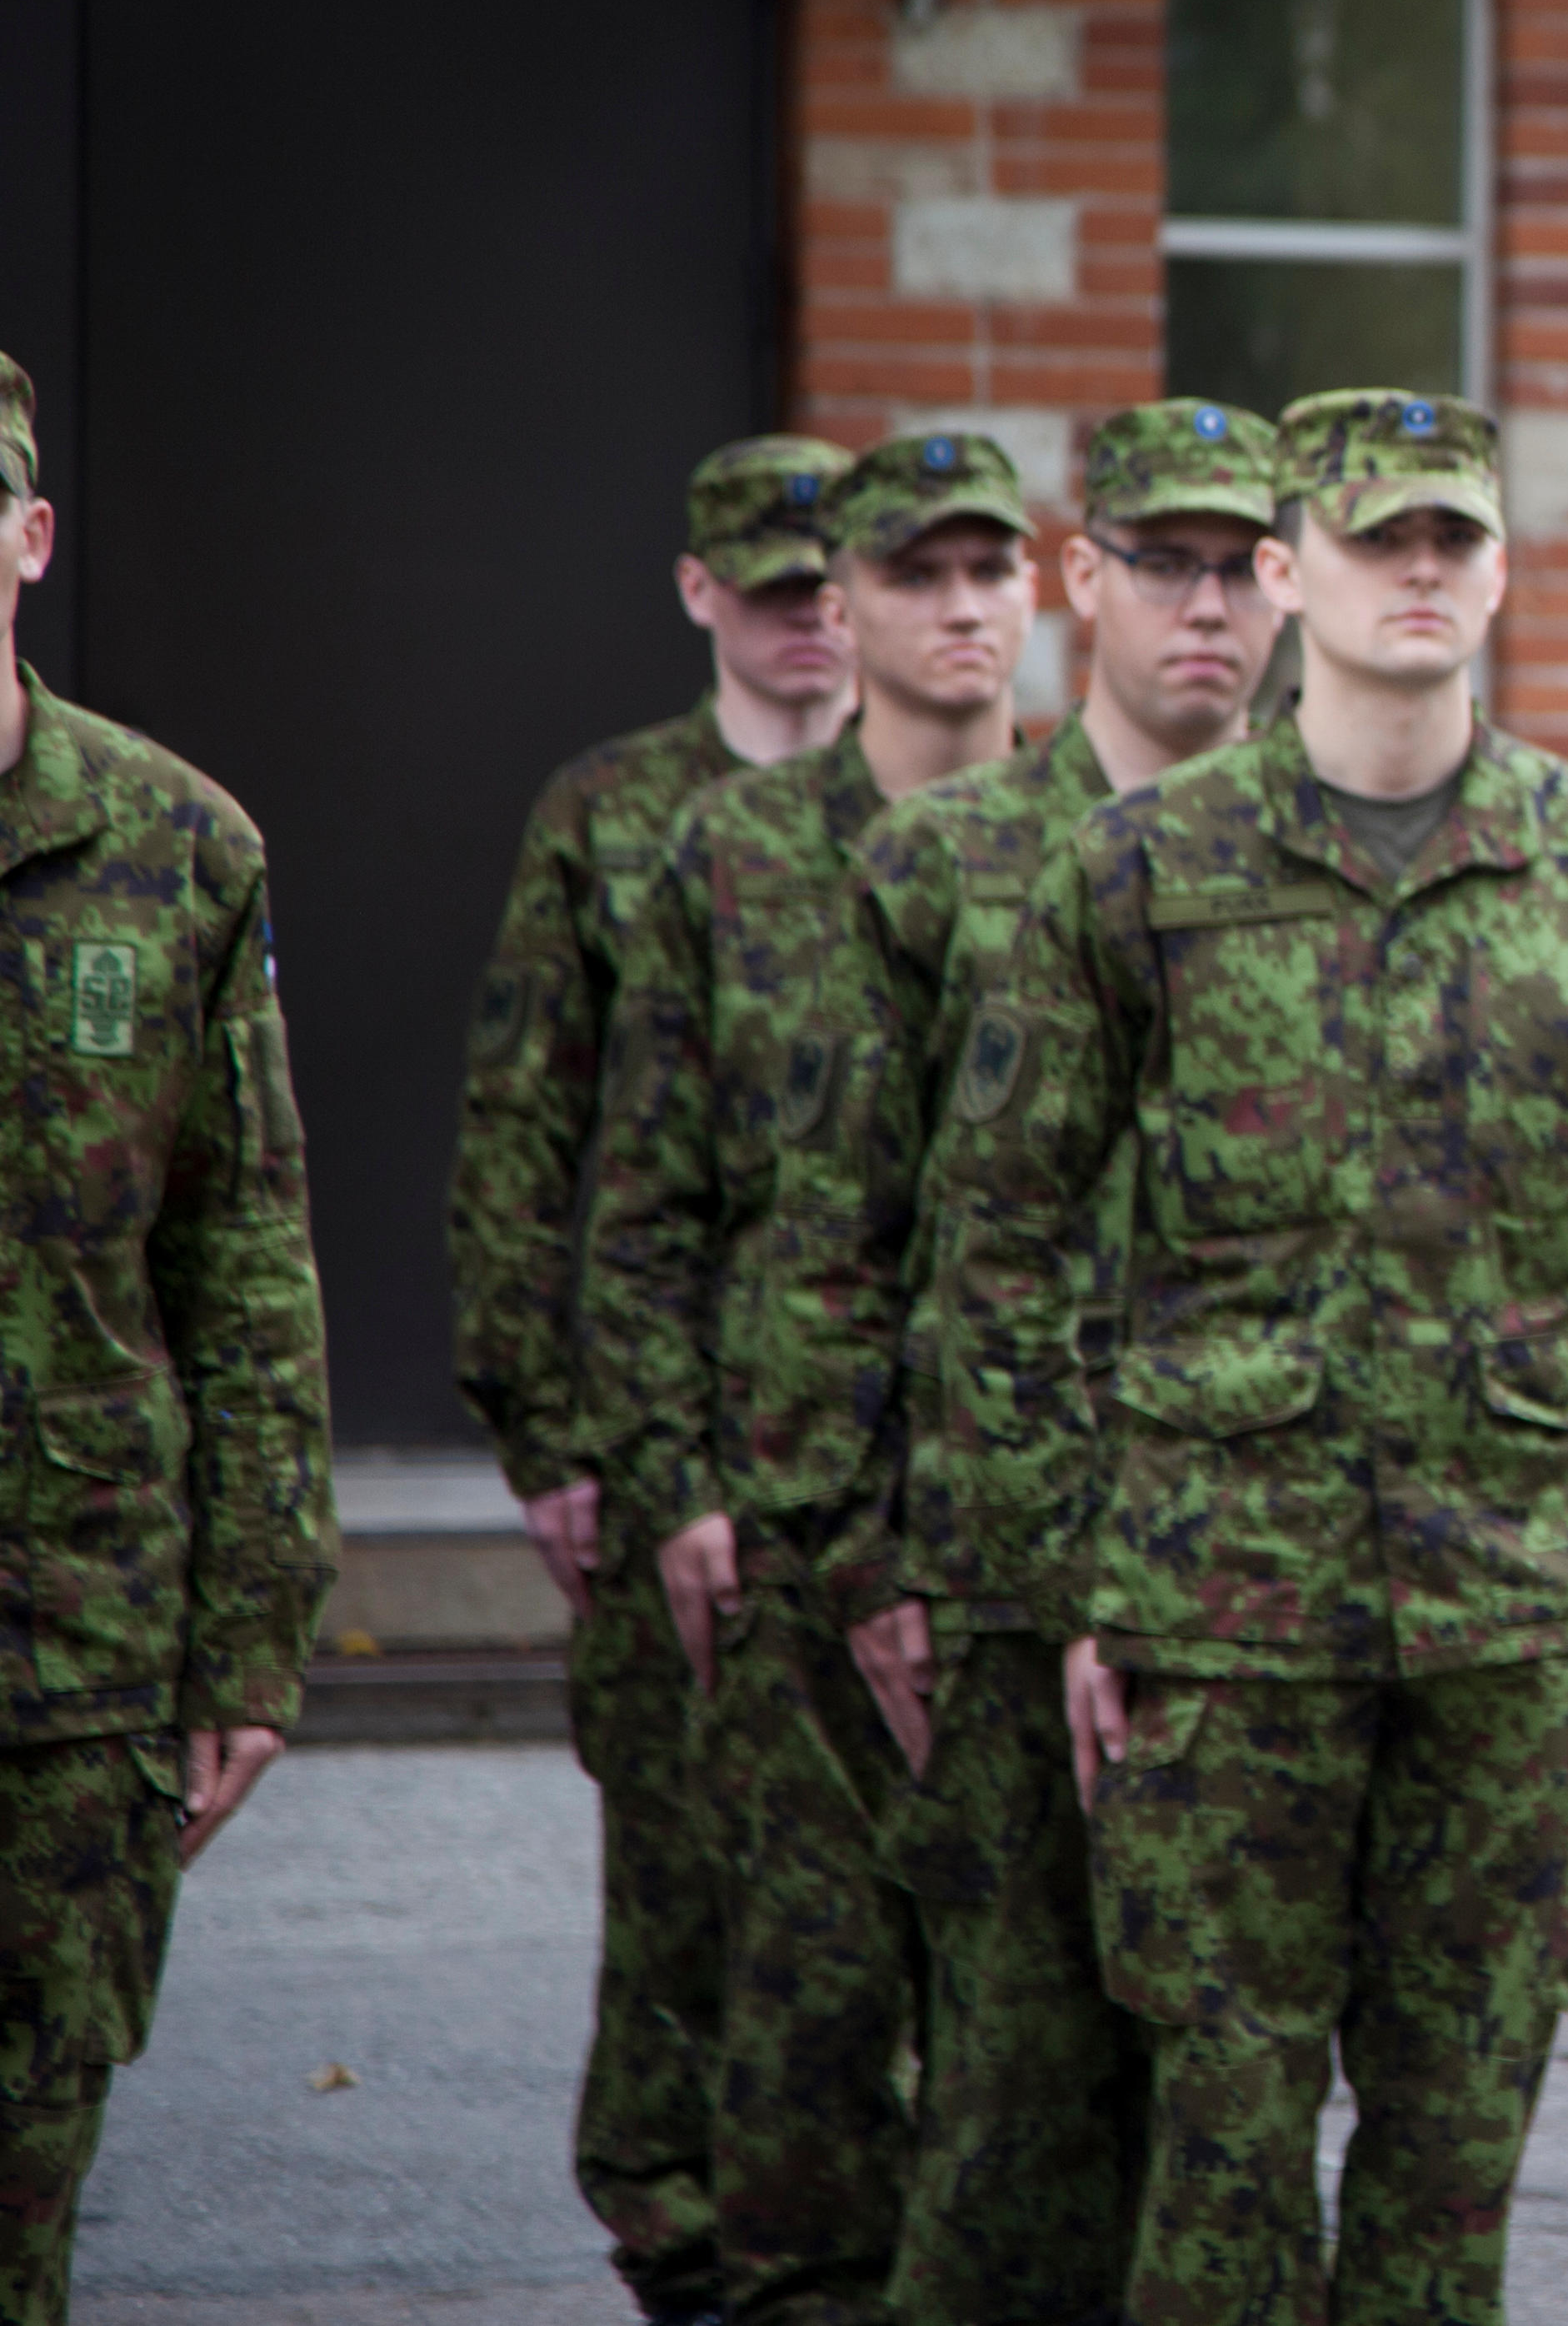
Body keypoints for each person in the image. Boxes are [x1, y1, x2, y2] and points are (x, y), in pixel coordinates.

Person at [917, 388, 1568, 2324]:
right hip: (1220, 1614)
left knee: (1454, 2157)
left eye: (1450, 542)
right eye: (1375, 542)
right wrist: (1077, 1573)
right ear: (1289, 573)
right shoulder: (1141, 869)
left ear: (1497, 575)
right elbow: (1007, 1229)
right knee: (1218, 2150)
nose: (1417, 574)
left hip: (1511, 1618)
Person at [823, 401, 1283, 2324]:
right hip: (1010, 1581)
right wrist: (876, 1548)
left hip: (1265, 1580)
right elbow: (844, 1238)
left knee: (1243, 2117)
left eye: (1247, 565)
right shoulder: (945, 865)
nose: (1210, 606)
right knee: (1010, 2109)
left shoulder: (1319, 864)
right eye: (1163, 562)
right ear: (1080, 579)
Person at [581, 430, 1038, 2326]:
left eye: (984, 574)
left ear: (1034, 593)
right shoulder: (732, 853)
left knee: (1027, 2045)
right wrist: (675, 1480)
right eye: (912, 579)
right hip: (792, 1513)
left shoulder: (1107, 844)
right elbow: (650, 1197)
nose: (955, 612)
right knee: (808, 2017)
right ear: (837, 611)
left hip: (1031, 1530)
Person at [449, 429, 855, 2326]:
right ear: (702, 596)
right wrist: (546, 1431)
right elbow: (531, 1134)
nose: (814, 622)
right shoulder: (611, 815)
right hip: (652, 1418)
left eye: (831, 586)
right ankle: (675, 2224)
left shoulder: (942, 802)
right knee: (683, 1860)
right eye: (776, 592)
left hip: (843, 1451)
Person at [0, 352, 332, 2319]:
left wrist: (253, 1632)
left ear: (30, 540)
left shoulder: (176, 846)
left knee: (29, 2182)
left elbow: (248, 1259)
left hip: (75, 1642)